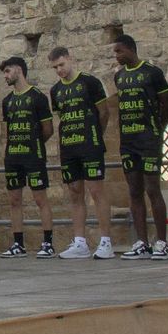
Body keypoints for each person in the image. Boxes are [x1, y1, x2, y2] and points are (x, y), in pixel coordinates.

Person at [48, 48, 116, 260]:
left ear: (70, 59)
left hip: (89, 145)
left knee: (96, 190)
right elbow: (61, 116)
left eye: (61, 65)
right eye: (55, 67)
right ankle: (80, 242)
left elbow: (103, 112)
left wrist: (94, 135)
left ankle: (106, 241)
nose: (59, 70)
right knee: (74, 192)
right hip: (69, 146)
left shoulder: (90, 82)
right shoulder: (55, 90)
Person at [111, 35, 168, 261]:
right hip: (128, 141)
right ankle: (141, 242)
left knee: (152, 189)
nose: (117, 56)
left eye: (119, 51)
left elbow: (167, 102)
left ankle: (162, 242)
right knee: (134, 190)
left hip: (148, 140)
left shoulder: (152, 73)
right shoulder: (119, 76)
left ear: (130, 49)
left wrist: (158, 128)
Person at [0, 56, 56, 258]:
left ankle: (48, 243)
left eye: (7, 71)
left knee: (40, 198)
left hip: (33, 156)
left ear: (19, 70)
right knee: (14, 200)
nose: (5, 76)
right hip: (13, 156)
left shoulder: (38, 97)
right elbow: (8, 129)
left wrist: (34, 143)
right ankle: (18, 244)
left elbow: (48, 129)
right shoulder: (7, 101)